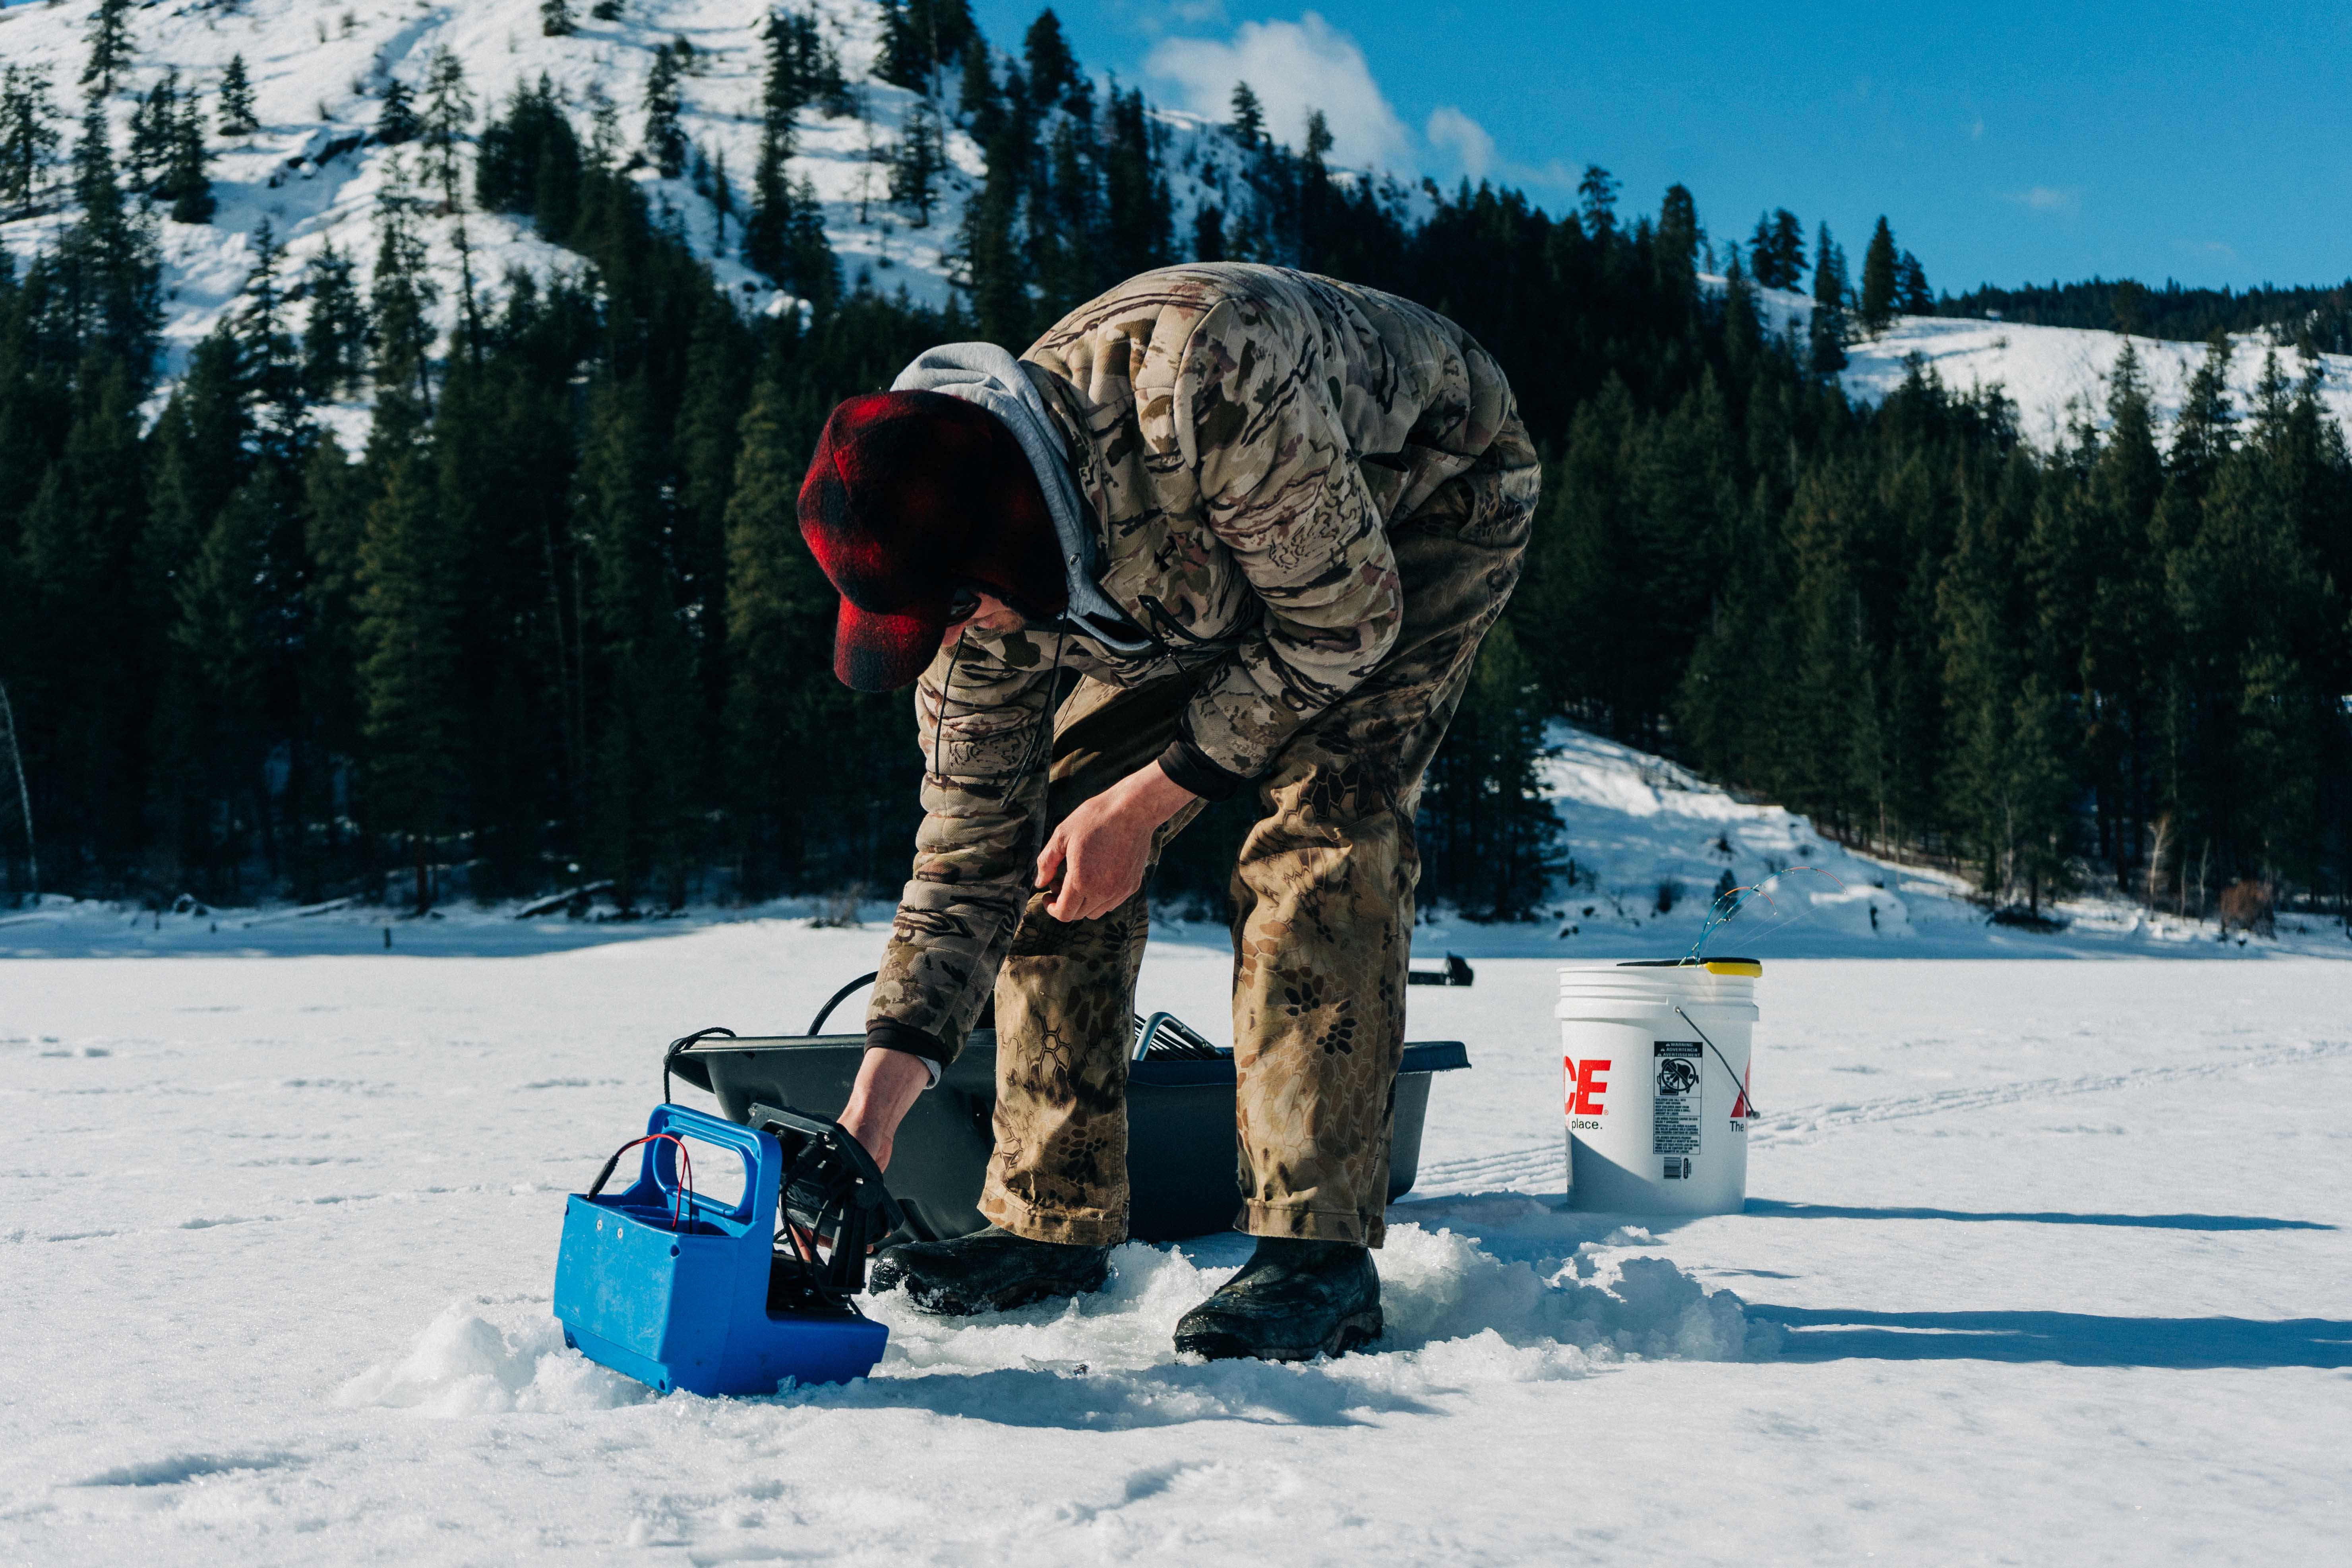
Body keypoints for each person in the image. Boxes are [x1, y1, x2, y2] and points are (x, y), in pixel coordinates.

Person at [795, 262, 1538, 1361]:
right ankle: (1050, 1218)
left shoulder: (1199, 379)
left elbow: (1342, 628)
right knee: (1048, 833)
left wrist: (1148, 802)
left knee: (1320, 828)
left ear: (1000, 543)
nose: (948, 641)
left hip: (1418, 512)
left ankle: (1315, 1253)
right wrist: (867, 1123)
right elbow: (965, 859)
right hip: (1197, 576)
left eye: (951, 610)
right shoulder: (973, 605)